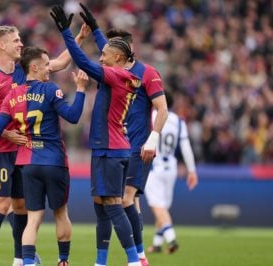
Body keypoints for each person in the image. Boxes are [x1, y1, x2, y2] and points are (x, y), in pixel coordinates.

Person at [0, 25, 89, 266]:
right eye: (15, 40)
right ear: (1, 45)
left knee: (22, 208)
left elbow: (59, 61)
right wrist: (6, 135)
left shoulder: (23, 71)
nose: (20, 43)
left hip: (25, 153)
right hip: (6, 150)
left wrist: (77, 38)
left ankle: (21, 259)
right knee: (1, 205)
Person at [51, 5, 142, 266]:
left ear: (118, 60)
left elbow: (83, 61)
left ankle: (134, 260)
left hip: (110, 149)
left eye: (105, 56)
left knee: (113, 205)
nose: (101, 58)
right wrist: (98, 31)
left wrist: (65, 33)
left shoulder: (114, 75)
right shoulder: (124, 73)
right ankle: (101, 262)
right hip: (109, 148)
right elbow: (111, 52)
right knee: (101, 206)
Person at [78, 4, 168, 266]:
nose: (107, 49)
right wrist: (94, 27)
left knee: (125, 200)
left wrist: (153, 138)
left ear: (127, 50)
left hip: (138, 146)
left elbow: (162, 109)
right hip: (114, 143)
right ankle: (116, 259)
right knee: (110, 202)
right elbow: (103, 48)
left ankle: (138, 257)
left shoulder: (147, 73)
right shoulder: (113, 72)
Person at [145, 92, 198, 254]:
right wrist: (192, 170)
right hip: (171, 169)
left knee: (158, 207)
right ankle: (157, 244)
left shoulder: (151, 116)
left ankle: (172, 238)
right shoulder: (178, 121)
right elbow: (186, 147)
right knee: (163, 208)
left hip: (155, 166)